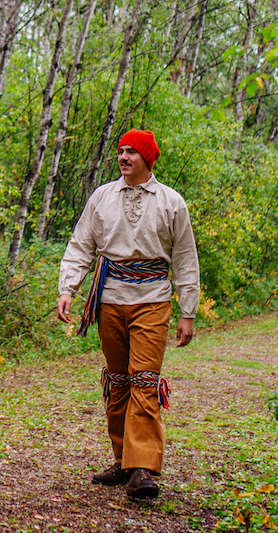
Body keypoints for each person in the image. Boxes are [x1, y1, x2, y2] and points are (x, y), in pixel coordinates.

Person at [56, 129, 200, 499]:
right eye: (120, 151)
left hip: (152, 300)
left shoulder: (171, 202)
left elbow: (185, 258)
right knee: (118, 380)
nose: (123, 157)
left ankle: (143, 469)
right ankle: (123, 460)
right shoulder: (102, 197)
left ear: (147, 159)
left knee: (144, 380)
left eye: (132, 152)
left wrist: (188, 311)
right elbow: (81, 244)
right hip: (108, 299)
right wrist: (68, 288)